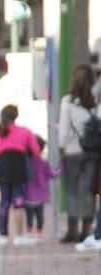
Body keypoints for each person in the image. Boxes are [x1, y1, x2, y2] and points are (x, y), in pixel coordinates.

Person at [0, 105, 40, 246]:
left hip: (3, 172)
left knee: (4, 203)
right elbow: (36, 151)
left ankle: (3, 236)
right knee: (18, 204)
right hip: (19, 171)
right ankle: (19, 236)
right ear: (16, 116)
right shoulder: (25, 132)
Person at [58, 64, 100, 243]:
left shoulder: (67, 101)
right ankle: (86, 230)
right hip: (93, 151)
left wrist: (61, 148)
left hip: (73, 152)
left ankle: (72, 231)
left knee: (72, 190)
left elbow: (63, 130)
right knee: (89, 190)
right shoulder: (96, 101)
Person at [25, 136, 62, 240]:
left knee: (29, 217)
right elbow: (54, 174)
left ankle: (28, 233)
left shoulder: (25, 164)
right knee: (40, 216)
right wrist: (62, 166)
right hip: (41, 196)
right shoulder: (44, 163)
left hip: (27, 196)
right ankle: (39, 234)